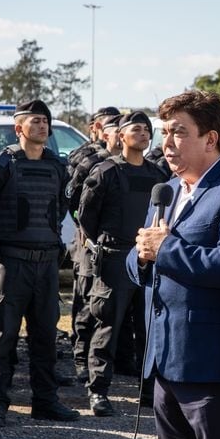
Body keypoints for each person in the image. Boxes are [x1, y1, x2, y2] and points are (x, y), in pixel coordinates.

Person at [126, 90, 220, 439]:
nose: (167, 142)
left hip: (214, 366)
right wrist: (142, 259)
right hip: (165, 360)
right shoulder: (169, 190)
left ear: (211, 138)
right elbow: (143, 254)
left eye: (178, 132)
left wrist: (166, 250)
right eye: (164, 132)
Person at [0, 99, 80, 427]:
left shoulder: (57, 166)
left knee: (46, 335)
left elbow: (59, 208)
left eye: (46, 121)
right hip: (12, 263)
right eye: (35, 121)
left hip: (45, 264)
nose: (43, 126)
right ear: (19, 129)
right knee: (2, 335)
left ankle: (46, 401)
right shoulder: (1, 163)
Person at [78, 111, 168, 415]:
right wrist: (104, 244)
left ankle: (147, 391)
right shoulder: (105, 171)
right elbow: (87, 217)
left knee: (148, 327)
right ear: (120, 135)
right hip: (115, 257)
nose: (143, 134)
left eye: (147, 130)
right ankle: (98, 390)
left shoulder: (158, 176)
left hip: (148, 257)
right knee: (108, 325)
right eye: (136, 129)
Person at [68, 112, 121, 382]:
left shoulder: (128, 165)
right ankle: (80, 356)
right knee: (88, 300)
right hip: (90, 241)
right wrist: (86, 230)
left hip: (116, 246)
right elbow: (73, 200)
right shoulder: (89, 160)